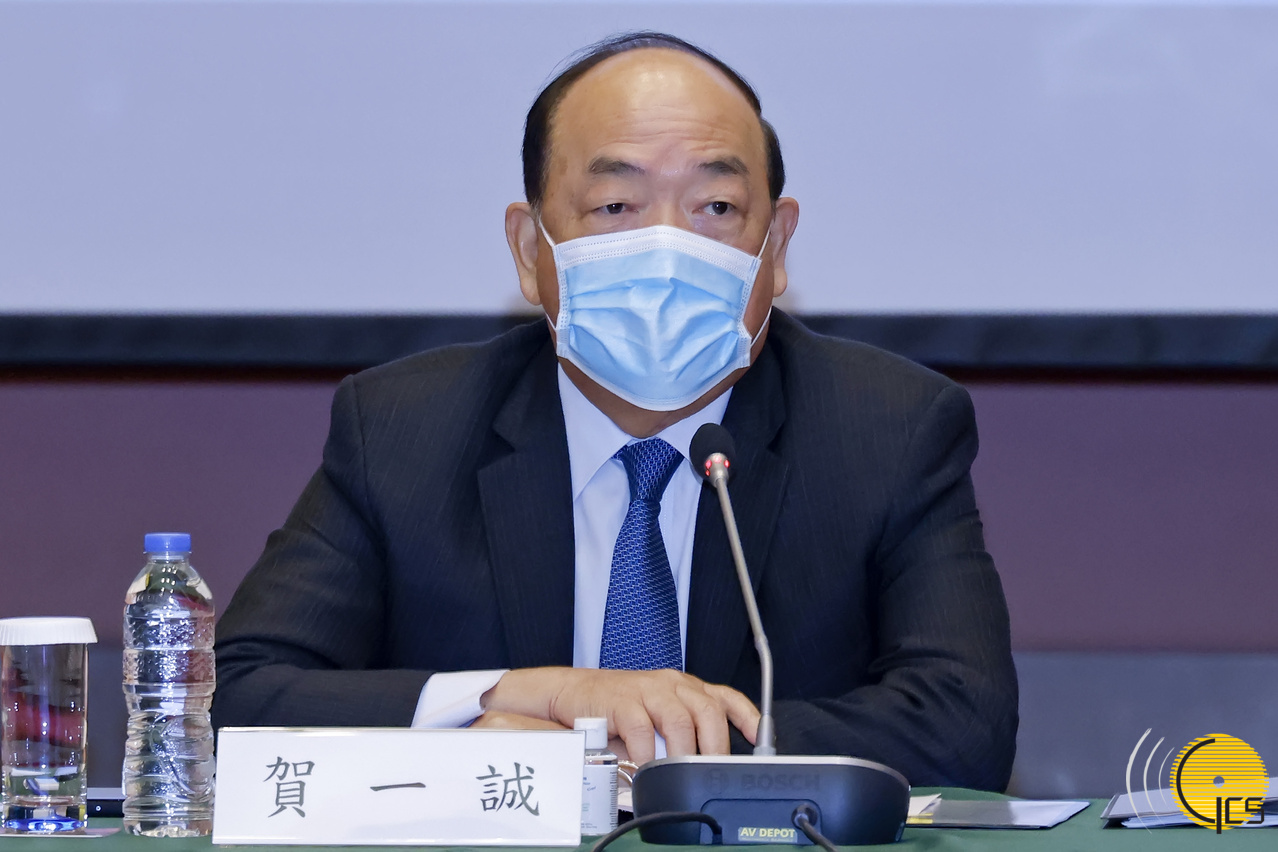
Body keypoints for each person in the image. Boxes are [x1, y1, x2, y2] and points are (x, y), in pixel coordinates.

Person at [213, 31, 1018, 791]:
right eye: (616, 207)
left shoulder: (888, 428)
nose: (666, 253)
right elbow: (232, 698)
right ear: (530, 250)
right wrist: (518, 696)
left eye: (715, 207)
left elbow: (964, 728)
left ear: (775, 249)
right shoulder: (404, 429)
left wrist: (646, 746)